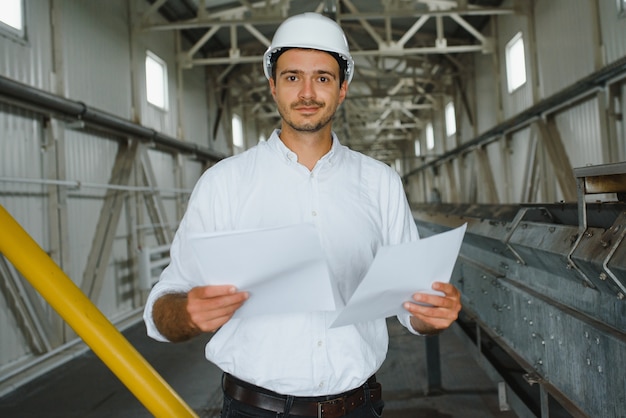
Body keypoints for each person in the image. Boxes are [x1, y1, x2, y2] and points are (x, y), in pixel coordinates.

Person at [144, 12, 462, 418]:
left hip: (358, 408)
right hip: (254, 410)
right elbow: (162, 306)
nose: (307, 92)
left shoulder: (379, 182)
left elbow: (409, 305)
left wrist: (431, 316)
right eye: (293, 77)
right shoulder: (224, 183)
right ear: (273, 86)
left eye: (323, 78)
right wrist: (188, 312)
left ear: (343, 88)